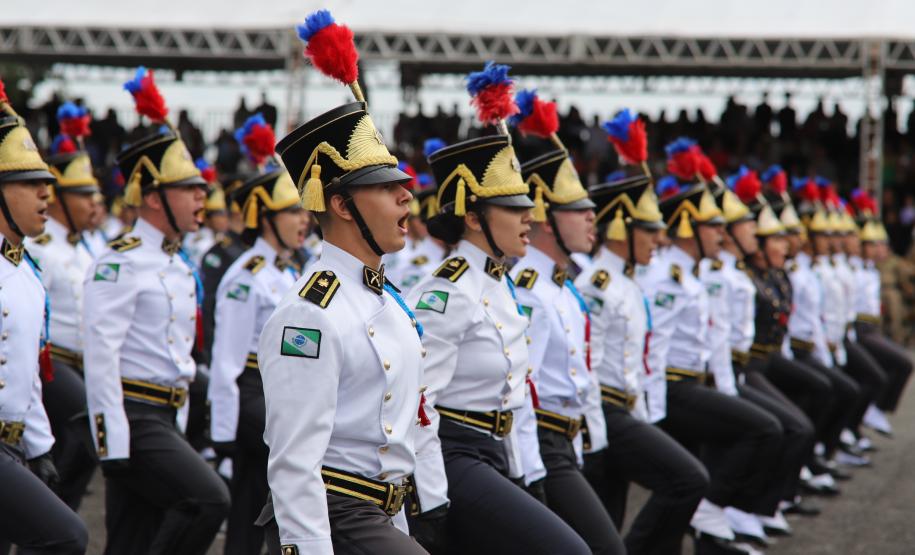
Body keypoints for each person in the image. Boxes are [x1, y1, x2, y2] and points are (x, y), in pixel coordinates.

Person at [256, 27, 433, 550]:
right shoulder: (309, 314)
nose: (406, 197)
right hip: (332, 519)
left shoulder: (385, 297)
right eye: (386, 187)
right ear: (340, 204)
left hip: (377, 514)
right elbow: (293, 465)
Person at [406, 127, 591, 554]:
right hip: (453, 455)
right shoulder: (448, 292)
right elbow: (418, 403)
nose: (530, 216)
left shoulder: (498, 283)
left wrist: (529, 473)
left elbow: (516, 394)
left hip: (494, 452)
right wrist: (430, 497)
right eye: (513, 207)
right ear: (473, 218)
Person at [83, 116, 230, 552]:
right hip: (134, 416)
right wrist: (111, 440)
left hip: (165, 416)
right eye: (189, 188)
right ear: (152, 197)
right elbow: (101, 354)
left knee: (130, 538)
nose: (202, 196)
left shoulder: (176, 261)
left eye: (201, 187)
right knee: (207, 499)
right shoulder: (121, 262)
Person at [640, 182, 783, 554]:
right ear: (687, 227)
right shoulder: (665, 278)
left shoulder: (688, 275)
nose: (722, 233)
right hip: (673, 388)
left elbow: (714, 340)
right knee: (762, 429)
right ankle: (712, 508)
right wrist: (652, 411)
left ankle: (711, 533)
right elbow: (654, 349)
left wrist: (725, 387)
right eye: (713, 225)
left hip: (693, 383)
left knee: (687, 481)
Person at [577, 174, 709, 554]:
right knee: (687, 479)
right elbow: (588, 367)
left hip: (625, 409)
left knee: (609, 523)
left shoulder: (627, 282)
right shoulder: (597, 286)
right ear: (621, 229)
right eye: (649, 231)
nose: (659, 239)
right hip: (604, 412)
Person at [511, 144, 625, 554]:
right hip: (541, 444)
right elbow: (522, 389)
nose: (592, 217)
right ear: (544, 217)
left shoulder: (563, 286)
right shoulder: (530, 291)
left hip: (567, 440)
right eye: (578, 210)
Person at [0, 84, 88, 555]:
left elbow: (28, 369)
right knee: (68, 536)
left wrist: (39, 446)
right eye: (30, 183)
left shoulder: (26, 270)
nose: (45, 194)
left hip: (12, 446)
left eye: (47, 184)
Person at [208, 166, 307, 555]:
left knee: (251, 503)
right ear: (266, 220)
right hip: (253, 392)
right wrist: (222, 432)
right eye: (292, 212)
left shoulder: (289, 271)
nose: (304, 220)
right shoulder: (246, 276)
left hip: (279, 391)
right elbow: (227, 361)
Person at [26, 122, 101, 511]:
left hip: (80, 365)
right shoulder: (41, 248)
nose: (94, 201)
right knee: (87, 427)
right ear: (58, 197)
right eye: (83, 194)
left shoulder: (81, 247)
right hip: (52, 363)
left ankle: (62, 510)